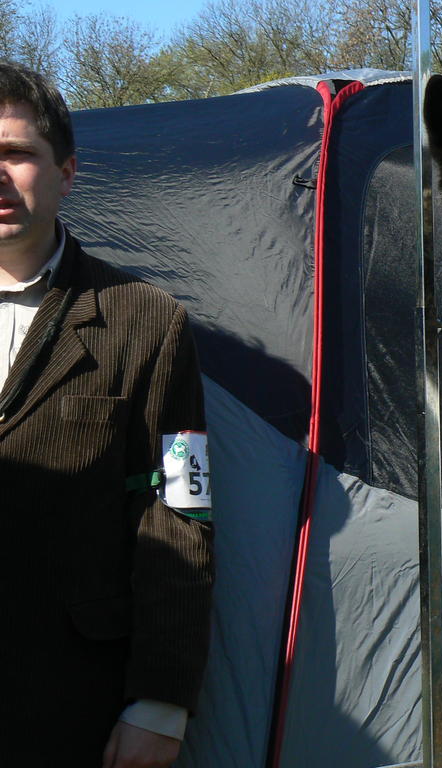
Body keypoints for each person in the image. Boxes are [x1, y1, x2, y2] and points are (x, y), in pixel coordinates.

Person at [0, 61, 213, 766]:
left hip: (69, 705)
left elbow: (182, 510)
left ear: (66, 172)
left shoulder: (147, 322)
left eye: (16, 153)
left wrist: (162, 700)